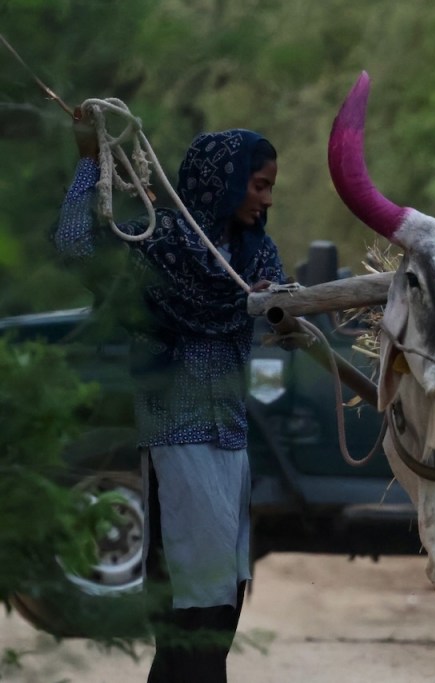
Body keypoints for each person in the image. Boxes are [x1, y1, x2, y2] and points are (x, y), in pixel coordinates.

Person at [55, 114, 285, 682]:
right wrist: (88, 163)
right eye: (259, 185)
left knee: (220, 610)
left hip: (231, 442)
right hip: (177, 440)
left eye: (269, 187)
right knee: (191, 612)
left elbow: (283, 313)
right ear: (224, 182)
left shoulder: (256, 254)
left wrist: (286, 309)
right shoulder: (154, 245)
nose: (266, 199)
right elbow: (72, 243)